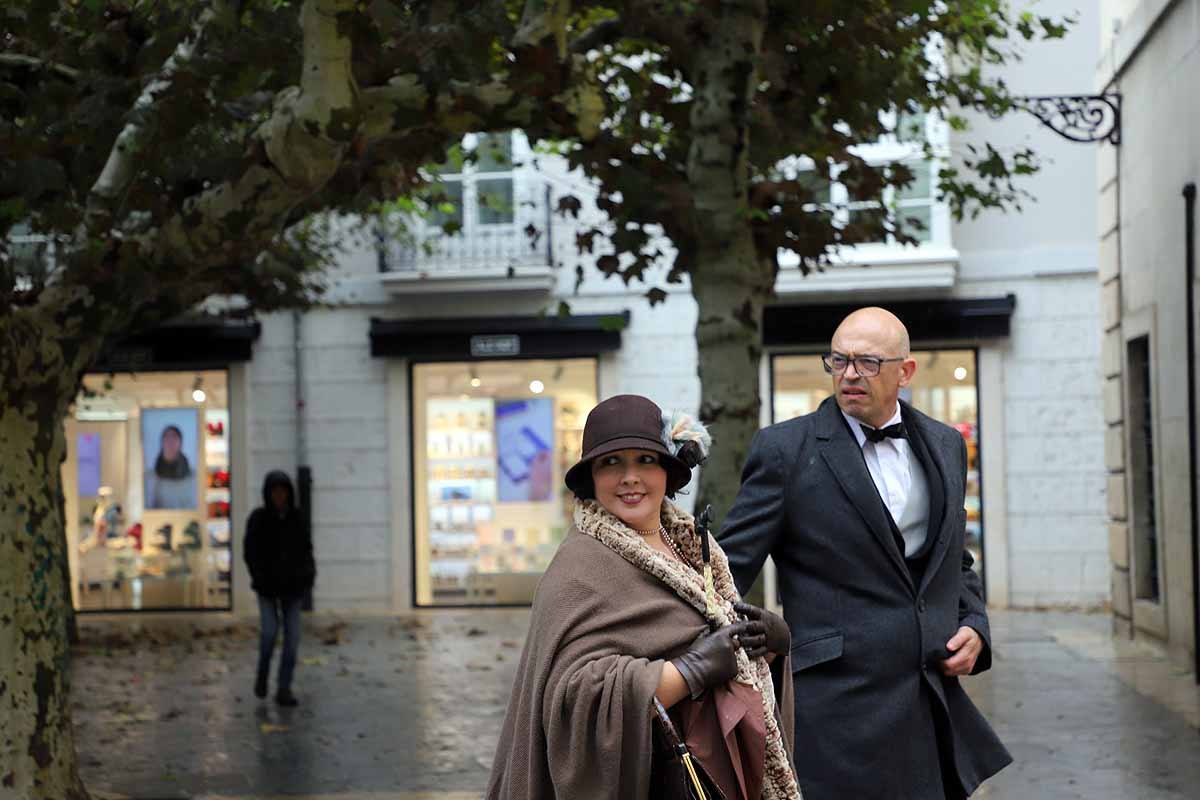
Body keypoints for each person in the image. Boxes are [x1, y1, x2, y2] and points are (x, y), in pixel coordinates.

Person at [719, 307, 1011, 799]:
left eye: (869, 363)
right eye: (839, 360)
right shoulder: (784, 450)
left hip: (929, 700)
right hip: (834, 711)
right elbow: (725, 571)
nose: (851, 374)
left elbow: (951, 558)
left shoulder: (944, 444)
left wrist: (975, 623)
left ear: (906, 371)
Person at [487, 395, 802, 800]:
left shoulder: (695, 547)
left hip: (718, 773)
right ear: (592, 478)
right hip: (654, 780)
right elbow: (570, 700)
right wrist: (689, 671)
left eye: (645, 460)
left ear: (668, 472)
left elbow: (732, 663)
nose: (630, 477)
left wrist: (770, 648)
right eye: (611, 462)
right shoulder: (578, 567)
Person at [244, 470, 316, 707]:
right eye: (275, 491)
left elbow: (306, 550)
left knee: (292, 638)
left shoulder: (297, 518)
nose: (279, 496)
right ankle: (263, 674)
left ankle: (284, 687)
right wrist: (259, 576)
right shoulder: (258, 519)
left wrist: (307, 578)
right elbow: (251, 552)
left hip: (293, 589)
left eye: (283, 491)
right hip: (267, 588)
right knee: (269, 633)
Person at [144, 424, 195, 509]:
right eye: (167, 437)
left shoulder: (193, 476)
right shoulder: (150, 477)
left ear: (180, 442)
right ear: (162, 442)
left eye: (174, 437)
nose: (170, 441)